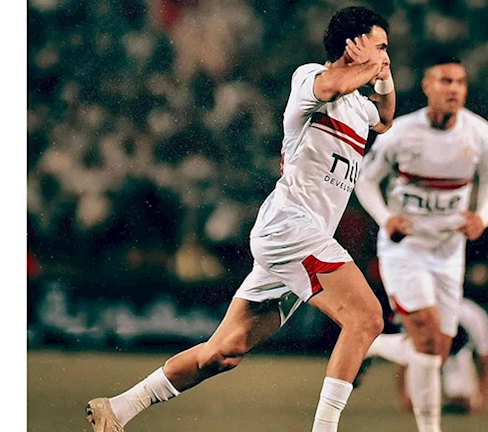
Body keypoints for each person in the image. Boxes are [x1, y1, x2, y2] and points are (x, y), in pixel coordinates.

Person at [85, 6, 396, 432]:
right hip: (291, 227)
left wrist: (383, 77)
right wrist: (370, 69)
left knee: (224, 351)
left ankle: (118, 408)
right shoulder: (309, 78)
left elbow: (385, 118)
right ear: (353, 46)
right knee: (367, 318)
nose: (386, 56)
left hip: (300, 237)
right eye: (381, 47)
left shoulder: (359, 107)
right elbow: (333, 85)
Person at [354, 56, 488, 431]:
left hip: (450, 250)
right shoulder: (400, 132)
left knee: (436, 351)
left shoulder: (480, 133)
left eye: (460, 82)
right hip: (405, 247)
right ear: (427, 87)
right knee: (424, 332)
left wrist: (482, 216)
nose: (454, 89)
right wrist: (386, 219)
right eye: (445, 81)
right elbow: (365, 180)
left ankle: (372, 346)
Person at [393, 297, 488, 414]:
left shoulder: (472, 315)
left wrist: (482, 396)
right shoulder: (419, 313)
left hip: (457, 356)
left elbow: (485, 359)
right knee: (417, 403)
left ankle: (455, 394)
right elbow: (403, 357)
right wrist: (404, 395)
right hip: (423, 356)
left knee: (462, 400)